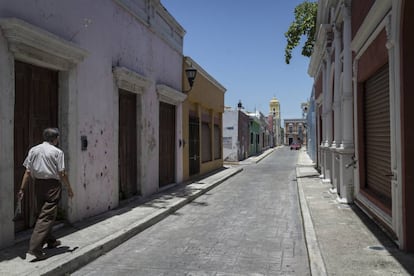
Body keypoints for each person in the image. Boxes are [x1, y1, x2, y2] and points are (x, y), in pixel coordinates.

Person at [17, 128, 74, 261]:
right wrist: (69, 188)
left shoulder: (34, 150)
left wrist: (22, 189)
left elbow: (28, 172)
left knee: (43, 213)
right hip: (52, 186)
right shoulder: (57, 152)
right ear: (55, 138)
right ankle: (35, 248)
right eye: (58, 138)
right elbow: (62, 173)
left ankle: (51, 241)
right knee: (46, 217)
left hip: (38, 186)